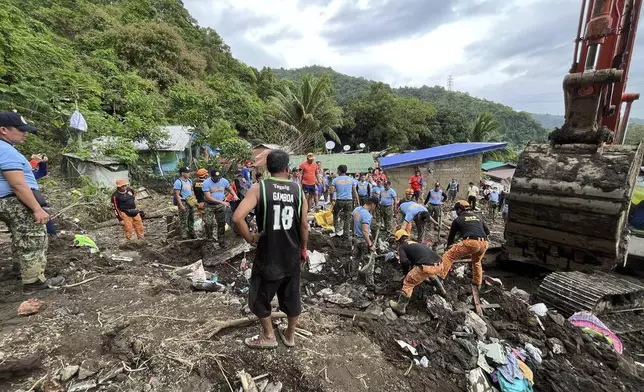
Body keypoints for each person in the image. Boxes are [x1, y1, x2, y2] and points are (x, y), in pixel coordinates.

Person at [232, 149, 309, 349]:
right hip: (291, 254)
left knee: (259, 297)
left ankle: (268, 336)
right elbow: (304, 226)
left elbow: (237, 217)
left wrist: (250, 238)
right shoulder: (298, 190)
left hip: (268, 255)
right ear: (287, 168)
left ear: (267, 167)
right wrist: (303, 249)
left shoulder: (259, 188)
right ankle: (290, 336)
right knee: (292, 296)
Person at [0, 112, 64, 289]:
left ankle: (19, 268)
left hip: (5, 201)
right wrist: (36, 208)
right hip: (12, 201)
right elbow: (18, 184)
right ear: (4, 130)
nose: (25, 134)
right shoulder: (5, 150)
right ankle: (34, 282)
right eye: (21, 130)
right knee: (33, 236)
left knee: (19, 234)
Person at [203, 170, 238, 248]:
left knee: (221, 223)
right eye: (215, 178)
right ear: (211, 176)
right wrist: (222, 203)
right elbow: (208, 198)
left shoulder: (223, 181)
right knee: (208, 223)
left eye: (218, 177)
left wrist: (234, 195)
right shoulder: (206, 183)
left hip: (220, 206)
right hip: (209, 205)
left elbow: (229, 188)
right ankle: (209, 239)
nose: (217, 179)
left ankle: (221, 241)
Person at [352, 196, 379, 287]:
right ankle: (370, 284)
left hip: (356, 238)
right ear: (372, 204)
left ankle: (354, 277)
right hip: (364, 240)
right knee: (369, 261)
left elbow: (353, 221)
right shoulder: (366, 214)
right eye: (375, 206)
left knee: (355, 258)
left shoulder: (356, 209)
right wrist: (370, 244)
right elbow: (365, 231)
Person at [330, 165, 359, 240]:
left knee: (335, 214)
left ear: (339, 171)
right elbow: (354, 191)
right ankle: (346, 234)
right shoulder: (351, 180)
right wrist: (357, 200)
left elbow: (332, 191)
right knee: (348, 217)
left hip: (340, 200)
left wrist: (332, 199)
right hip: (349, 200)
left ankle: (336, 229)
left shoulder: (335, 180)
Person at [173, 167, 196, 240]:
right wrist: (181, 205)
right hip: (183, 201)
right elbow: (177, 195)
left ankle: (192, 233)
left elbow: (192, 190)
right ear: (182, 173)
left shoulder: (189, 181)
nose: (189, 173)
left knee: (191, 218)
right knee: (184, 219)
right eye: (187, 172)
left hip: (190, 200)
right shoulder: (178, 182)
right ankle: (184, 235)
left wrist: (194, 200)